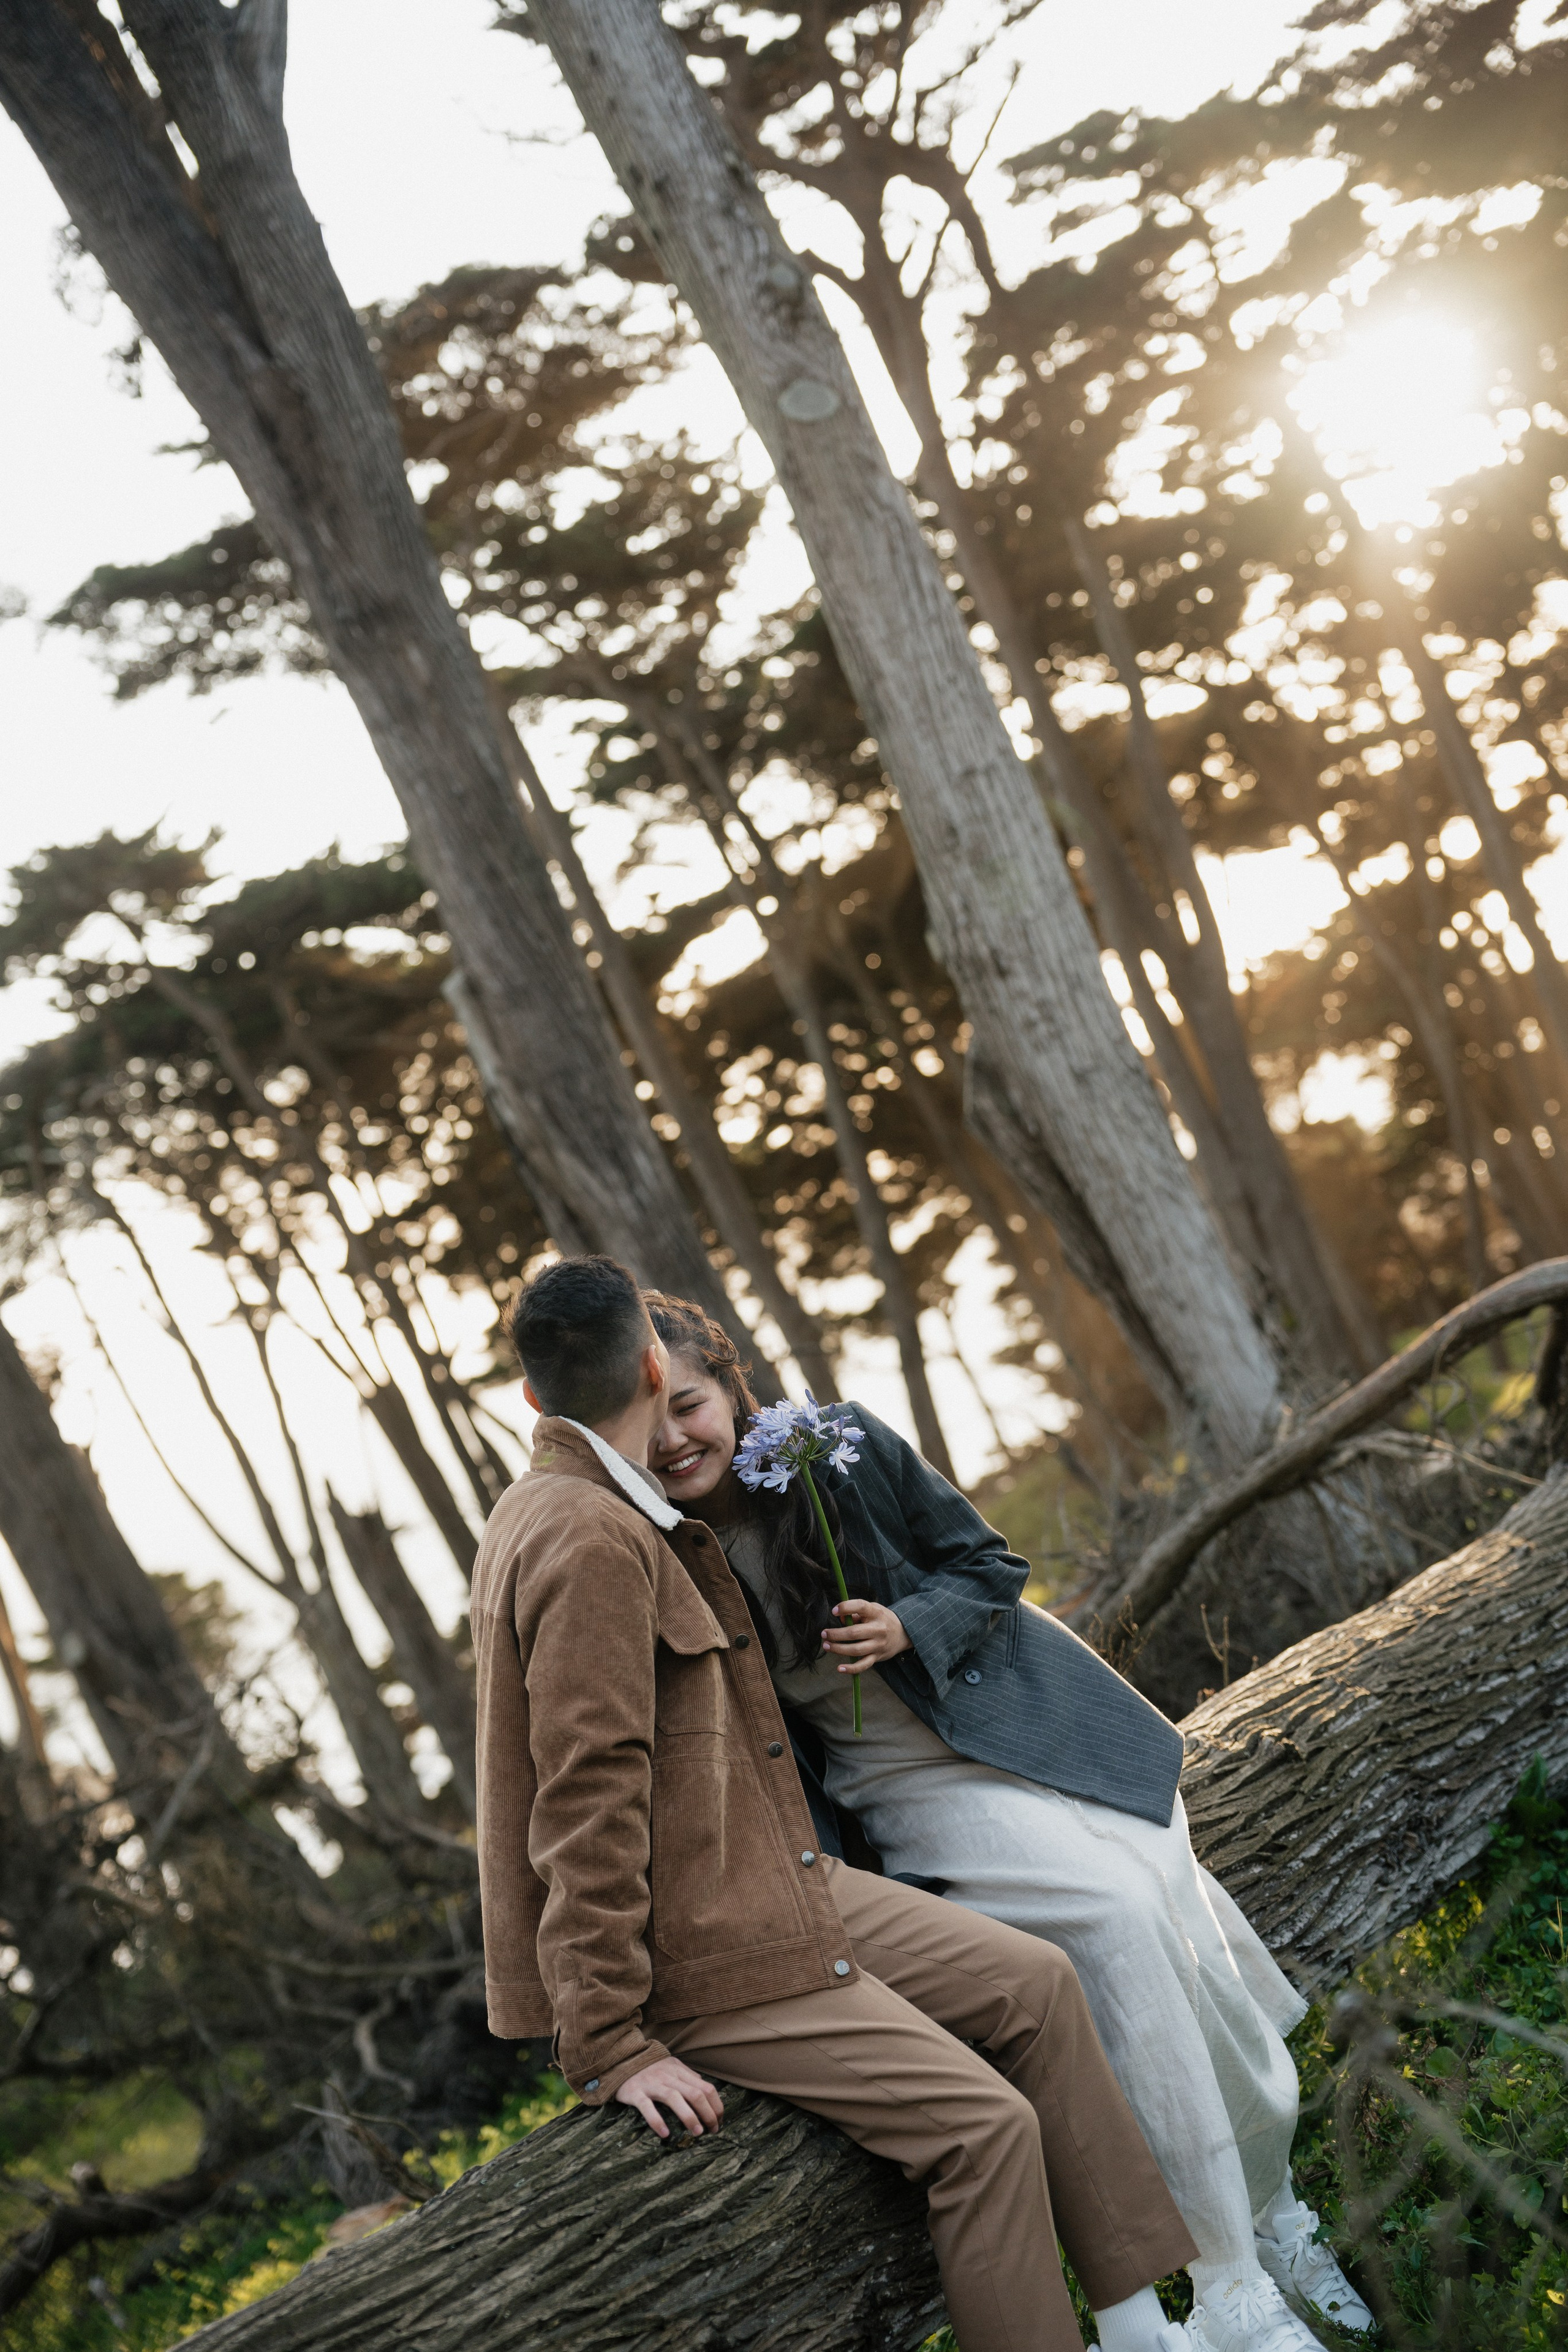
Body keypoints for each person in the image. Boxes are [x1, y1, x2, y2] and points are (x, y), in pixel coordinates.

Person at [472, 1254, 1202, 2352]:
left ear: (532, 1398)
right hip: (706, 1948)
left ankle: (1144, 2326)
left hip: (776, 1883)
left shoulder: (601, 1505)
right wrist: (610, 2042)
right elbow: (584, 1801)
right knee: (985, 2130)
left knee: (1039, 1986)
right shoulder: (586, 1537)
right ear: (653, 1358)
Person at [641, 1290, 1377, 2352]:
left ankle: (1278, 2217)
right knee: (1117, 1917)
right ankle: (1228, 2282)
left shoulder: (838, 1450)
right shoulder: (669, 1560)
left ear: (732, 1383)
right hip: (913, 1794)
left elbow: (990, 1565)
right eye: (651, 1424)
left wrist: (909, 1623)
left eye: (693, 1405)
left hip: (1037, 1727)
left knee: (1164, 1899)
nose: (675, 1441)